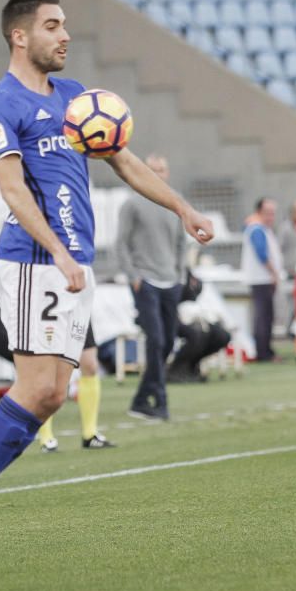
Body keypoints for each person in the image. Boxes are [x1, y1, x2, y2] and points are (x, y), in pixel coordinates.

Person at [0, 0, 213, 560]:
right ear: (20, 36)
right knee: (38, 387)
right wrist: (59, 252)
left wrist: (182, 208)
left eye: (65, 26)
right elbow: (11, 188)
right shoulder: (1, 103)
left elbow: (126, 162)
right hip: (33, 260)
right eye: (52, 26)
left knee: (54, 394)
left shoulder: (75, 98)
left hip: (69, 262)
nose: (64, 36)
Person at [116, 154, 186, 420]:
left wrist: (180, 275)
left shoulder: (175, 202)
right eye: (152, 169)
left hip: (171, 281)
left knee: (167, 342)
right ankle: (160, 399)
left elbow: (182, 243)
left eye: (162, 170)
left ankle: (141, 399)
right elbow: (120, 244)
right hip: (146, 281)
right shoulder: (132, 203)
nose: (158, 174)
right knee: (155, 340)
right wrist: (133, 276)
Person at [36, 325, 115, 452]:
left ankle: (90, 434)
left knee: (90, 365)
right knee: (51, 368)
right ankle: (46, 437)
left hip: (79, 312)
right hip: (53, 313)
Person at [241, 197, 283, 362]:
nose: (271, 217)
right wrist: (273, 273)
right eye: (268, 213)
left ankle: (266, 349)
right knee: (263, 317)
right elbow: (262, 254)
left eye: (273, 213)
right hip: (261, 279)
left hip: (264, 279)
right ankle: (263, 352)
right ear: (259, 212)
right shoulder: (256, 229)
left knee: (266, 316)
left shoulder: (261, 228)